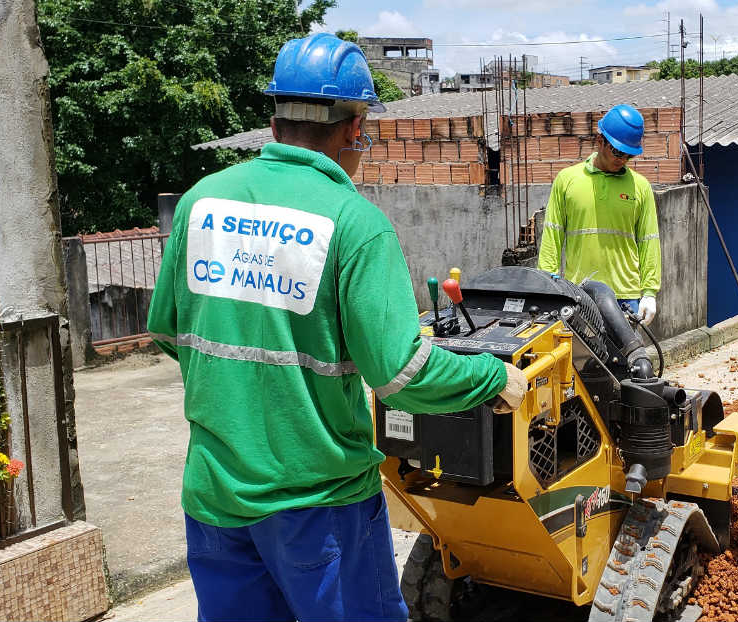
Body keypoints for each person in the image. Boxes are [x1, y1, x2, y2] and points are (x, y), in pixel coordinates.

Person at [147, 33, 527, 622]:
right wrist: (489, 377)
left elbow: (169, 333)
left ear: (274, 122)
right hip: (320, 508)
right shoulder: (355, 223)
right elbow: (402, 371)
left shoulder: (201, 203)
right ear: (355, 130)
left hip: (216, 500)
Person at [537, 104, 661, 325]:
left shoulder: (640, 186)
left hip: (626, 296)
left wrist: (650, 292)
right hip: (581, 294)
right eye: (617, 151)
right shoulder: (567, 181)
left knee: (629, 359)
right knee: (580, 359)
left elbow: (649, 241)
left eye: (629, 155)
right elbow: (552, 237)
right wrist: (547, 287)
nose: (622, 159)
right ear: (600, 140)